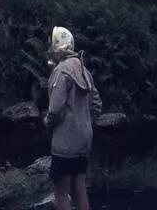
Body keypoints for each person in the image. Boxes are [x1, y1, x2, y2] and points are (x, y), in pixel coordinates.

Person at [44, 26, 102, 210]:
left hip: (65, 143)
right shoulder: (84, 71)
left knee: (61, 192)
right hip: (84, 141)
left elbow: (54, 110)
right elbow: (97, 105)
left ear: (58, 46)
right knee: (80, 190)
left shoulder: (62, 71)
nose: (49, 49)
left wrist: (47, 123)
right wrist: (85, 123)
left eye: (51, 45)